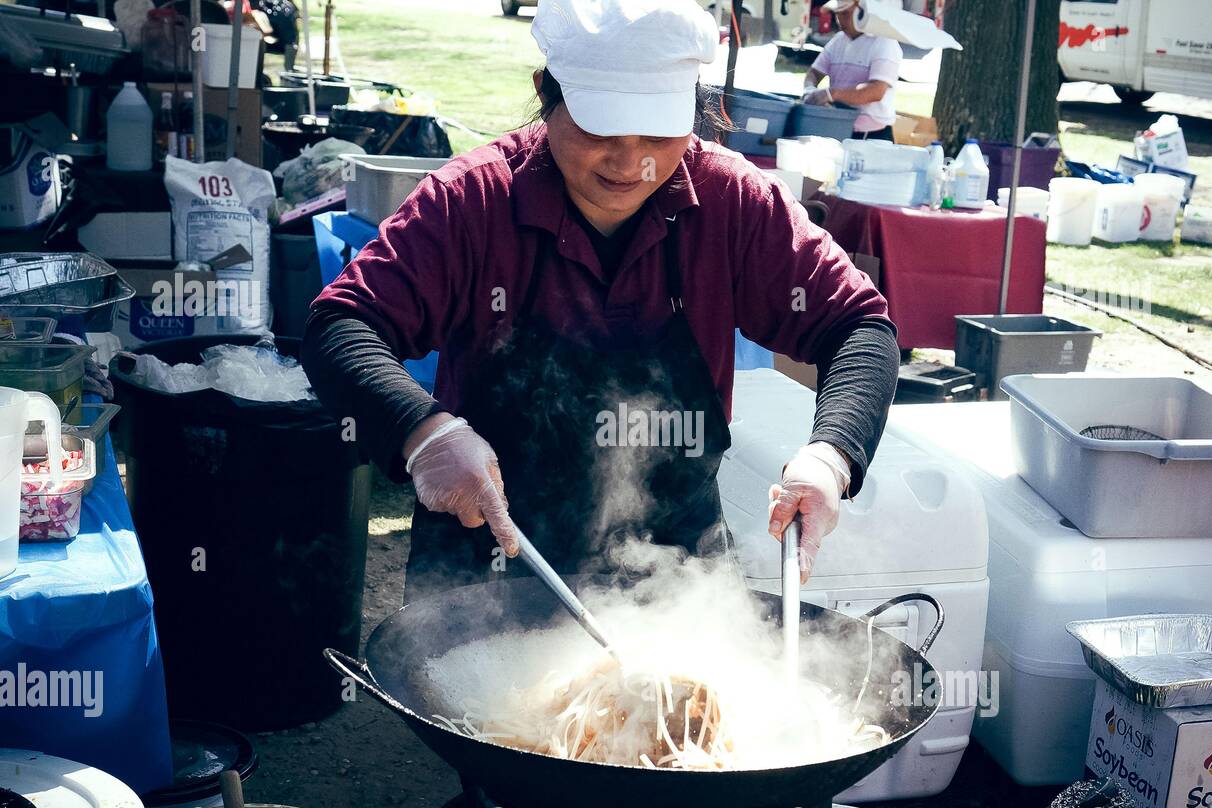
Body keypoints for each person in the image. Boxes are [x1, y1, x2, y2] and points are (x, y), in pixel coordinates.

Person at [301, 0, 899, 605]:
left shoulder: (733, 203)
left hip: (679, 571)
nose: (628, 160)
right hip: (485, 563)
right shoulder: (472, 202)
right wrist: (423, 434)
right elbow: (341, 326)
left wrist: (832, 456)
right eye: (599, 128)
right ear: (546, 93)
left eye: (659, 133)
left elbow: (858, 328)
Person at [802, 0, 903, 141]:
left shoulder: (884, 43)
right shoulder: (838, 41)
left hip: (871, 136)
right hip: (838, 128)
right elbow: (814, 73)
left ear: (862, 13)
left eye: (845, 14)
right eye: (837, 14)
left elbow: (875, 92)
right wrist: (809, 90)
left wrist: (833, 94)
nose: (839, 20)